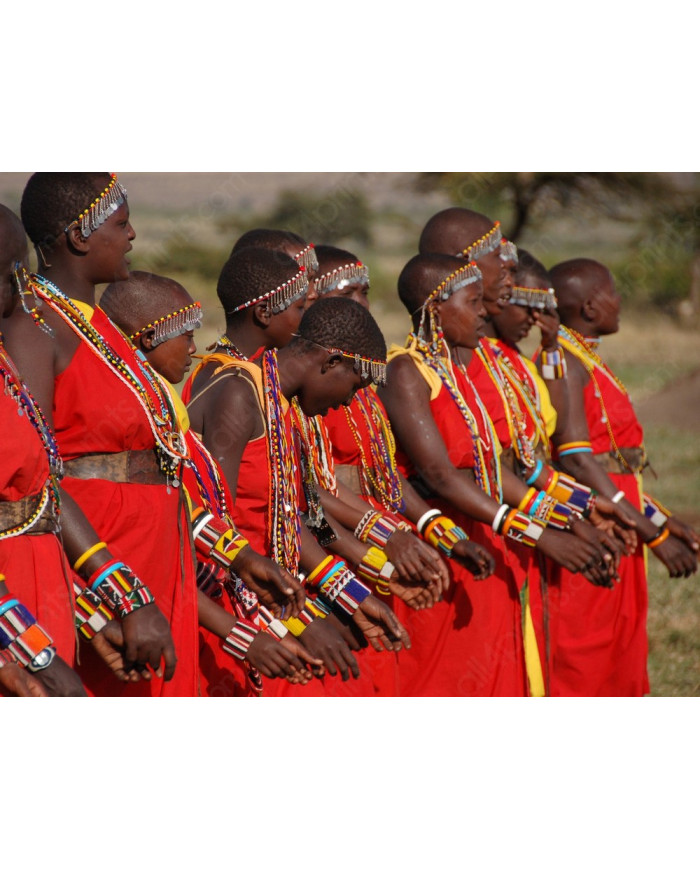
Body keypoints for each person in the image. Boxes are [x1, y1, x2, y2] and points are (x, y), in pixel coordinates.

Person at [381, 253, 615, 695]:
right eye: (473, 303)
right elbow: (441, 474)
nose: (483, 313)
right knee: (441, 682)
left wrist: (568, 517)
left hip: (485, 533)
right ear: (436, 308)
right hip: (442, 545)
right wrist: (540, 535)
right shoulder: (406, 371)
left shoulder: (461, 370)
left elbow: (494, 467)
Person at [4, 172, 201, 695]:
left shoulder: (98, 322)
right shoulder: (35, 325)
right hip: (101, 545)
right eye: (121, 224)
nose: (132, 235)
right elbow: (37, 475)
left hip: (153, 543)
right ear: (80, 235)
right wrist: (104, 601)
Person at [100, 270, 321, 695]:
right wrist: (250, 627)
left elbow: (292, 505)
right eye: (185, 336)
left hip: (233, 589)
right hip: (190, 595)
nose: (193, 348)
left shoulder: (170, 405)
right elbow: (177, 530)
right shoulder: (232, 390)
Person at [547, 257, 699, 695]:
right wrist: (653, 533)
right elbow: (577, 462)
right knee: (584, 653)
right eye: (613, 292)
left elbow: (613, 465)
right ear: (590, 307)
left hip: (622, 516)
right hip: (596, 526)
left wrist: (659, 516)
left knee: (619, 649)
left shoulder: (583, 358)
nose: (620, 301)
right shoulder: (562, 364)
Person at [0, 203, 86, 697]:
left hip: (35, 585)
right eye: (16, 277)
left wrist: (93, 613)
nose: (23, 292)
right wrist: (33, 653)